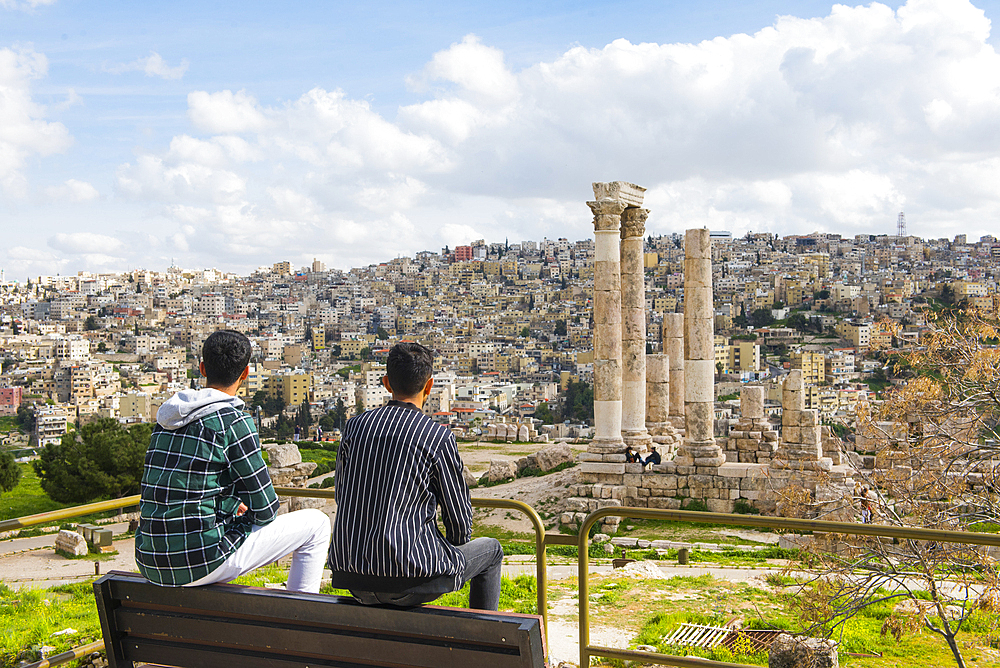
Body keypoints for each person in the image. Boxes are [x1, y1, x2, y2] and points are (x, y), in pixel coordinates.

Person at [135, 329, 331, 592]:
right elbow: (265, 509)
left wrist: (227, 504)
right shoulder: (233, 421)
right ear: (246, 373)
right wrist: (238, 512)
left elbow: (182, 488)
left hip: (149, 558)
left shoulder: (166, 420)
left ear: (202, 368)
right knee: (316, 525)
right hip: (201, 560)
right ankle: (301, 620)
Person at [329, 342, 503, 610]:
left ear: (387, 383)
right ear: (429, 386)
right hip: (410, 578)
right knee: (491, 551)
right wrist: (451, 549)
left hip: (352, 576)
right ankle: (484, 641)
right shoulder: (436, 437)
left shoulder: (354, 427)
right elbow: (458, 516)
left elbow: (343, 494)